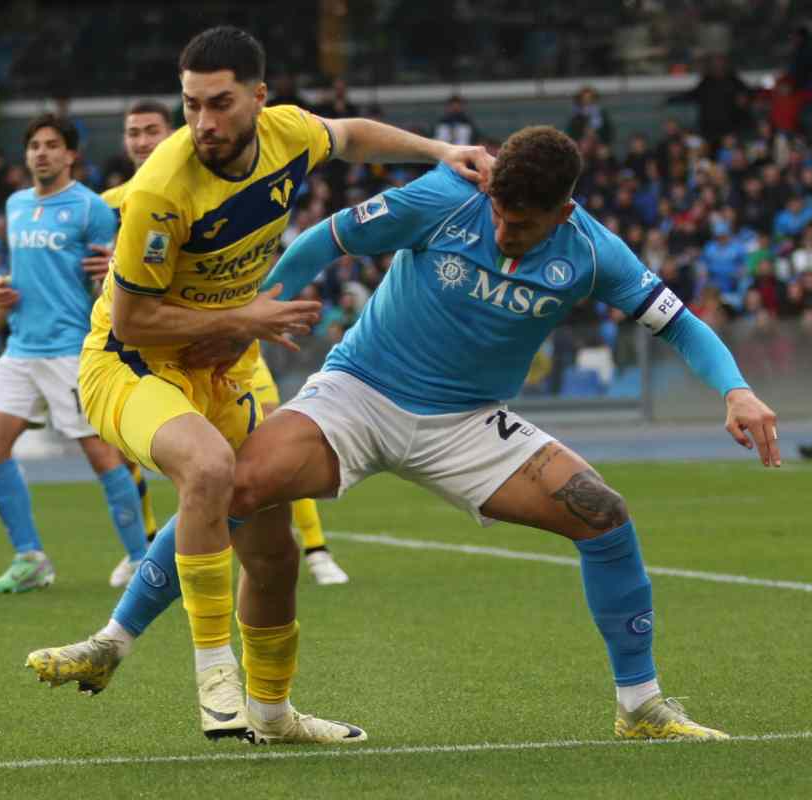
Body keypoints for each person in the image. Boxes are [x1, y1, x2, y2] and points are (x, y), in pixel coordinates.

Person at [220, 125, 777, 740]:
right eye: (499, 215)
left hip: (467, 421)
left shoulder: (594, 251)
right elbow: (327, 240)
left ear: (564, 212)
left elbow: (680, 326)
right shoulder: (447, 195)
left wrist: (737, 389)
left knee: (602, 513)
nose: (504, 232)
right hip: (360, 391)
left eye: (523, 225)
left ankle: (640, 706)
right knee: (235, 486)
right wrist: (250, 319)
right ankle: (122, 639)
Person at [24, 25, 492, 744]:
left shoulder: (288, 133)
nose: (204, 124)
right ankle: (216, 678)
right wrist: (246, 314)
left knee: (274, 553)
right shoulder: (159, 191)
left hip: (223, 367)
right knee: (207, 469)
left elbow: (350, 136)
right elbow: (133, 318)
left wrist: (438, 152)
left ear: (260, 99)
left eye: (220, 104)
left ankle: (273, 715)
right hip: (129, 364)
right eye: (191, 106)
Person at [98, 98, 348, 586]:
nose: (142, 141)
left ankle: (316, 550)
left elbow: (343, 137)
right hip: (162, 351)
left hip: (237, 344)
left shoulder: (212, 176)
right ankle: (146, 553)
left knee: (266, 443)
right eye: (133, 133)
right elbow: (120, 301)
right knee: (199, 467)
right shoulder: (112, 205)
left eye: (151, 131)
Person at [0, 113, 149, 594]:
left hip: (70, 348)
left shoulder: (89, 209)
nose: (41, 153)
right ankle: (30, 558)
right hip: (20, 347)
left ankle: (143, 562)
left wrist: (111, 269)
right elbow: (18, 279)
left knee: (103, 456)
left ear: (69, 154)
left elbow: (113, 280)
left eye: (50, 145)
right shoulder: (17, 204)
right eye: (34, 145)